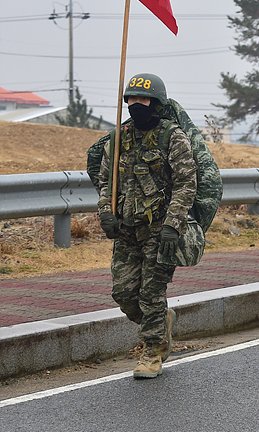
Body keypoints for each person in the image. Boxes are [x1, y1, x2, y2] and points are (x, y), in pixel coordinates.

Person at [97, 73, 196, 379]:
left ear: (156, 103)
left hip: (159, 232)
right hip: (126, 232)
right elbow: (105, 181)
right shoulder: (118, 138)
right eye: (131, 99)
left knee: (151, 294)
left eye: (143, 99)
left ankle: (152, 352)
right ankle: (161, 321)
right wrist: (105, 212)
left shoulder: (172, 137)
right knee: (124, 295)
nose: (135, 104)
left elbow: (186, 183)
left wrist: (173, 223)